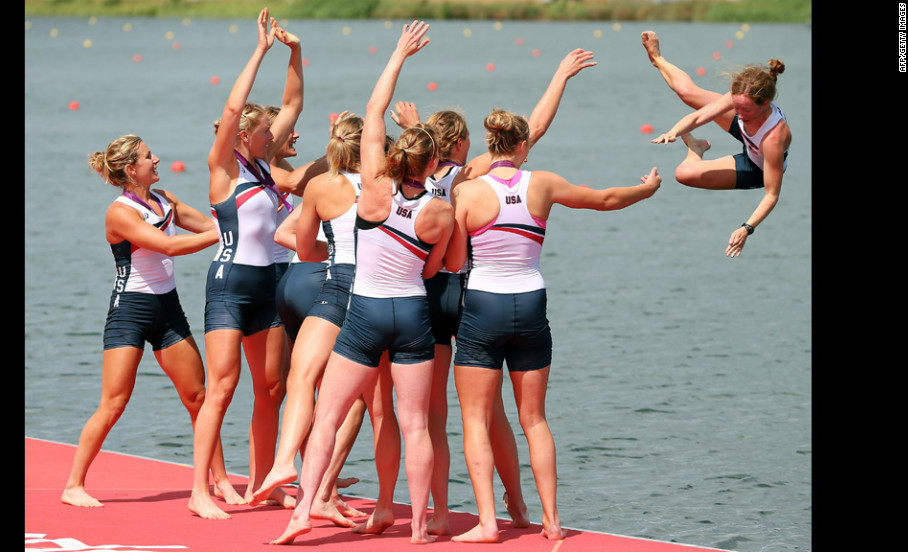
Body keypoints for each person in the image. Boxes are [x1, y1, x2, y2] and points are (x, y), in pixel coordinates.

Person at [388, 47, 598, 534]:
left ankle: (440, 513)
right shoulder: (471, 175)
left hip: (423, 294)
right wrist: (560, 77)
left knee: (437, 413)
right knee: (496, 412)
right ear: (461, 143)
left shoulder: (418, 172)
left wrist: (411, 127)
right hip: (466, 294)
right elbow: (532, 132)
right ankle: (520, 508)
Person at [271, 20, 453, 545]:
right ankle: (419, 526)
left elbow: (373, 114)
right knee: (415, 424)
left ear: (395, 158)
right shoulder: (441, 210)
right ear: (435, 163)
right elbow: (433, 269)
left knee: (326, 417)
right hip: (413, 314)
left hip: (366, 313)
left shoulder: (371, 192)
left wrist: (398, 54)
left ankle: (303, 513)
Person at [446, 108, 661, 542]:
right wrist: (647, 189)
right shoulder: (542, 183)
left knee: (475, 418)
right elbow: (603, 200)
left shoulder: (466, 192)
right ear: (523, 146)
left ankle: (488, 523)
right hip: (530, 304)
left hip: (483, 305)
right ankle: (552, 520)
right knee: (535, 419)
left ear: (491, 146)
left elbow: (453, 263)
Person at [62, 134, 231, 508]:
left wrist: (234, 222)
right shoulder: (120, 213)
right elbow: (169, 246)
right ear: (130, 169)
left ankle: (220, 480)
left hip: (168, 310)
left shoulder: (164, 200)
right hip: (130, 313)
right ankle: (74, 485)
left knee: (199, 398)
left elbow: (205, 225)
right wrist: (224, 234)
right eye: (148, 156)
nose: (157, 159)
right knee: (114, 402)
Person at [187, 9, 305, 520]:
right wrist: (259, 51)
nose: (271, 135)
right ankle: (200, 489)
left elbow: (294, 103)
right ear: (244, 135)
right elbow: (234, 107)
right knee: (224, 386)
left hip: (268, 287)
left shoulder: (265, 165)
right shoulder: (223, 170)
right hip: (230, 285)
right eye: (262, 131)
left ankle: (263, 481)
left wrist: (295, 53)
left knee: (272, 388)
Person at [641, 30, 792, 257]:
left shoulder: (773, 138)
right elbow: (699, 117)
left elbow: (772, 195)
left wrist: (746, 228)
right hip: (751, 136)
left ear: (765, 104)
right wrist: (673, 132)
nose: (738, 115)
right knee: (687, 93)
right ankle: (658, 60)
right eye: (736, 106)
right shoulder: (743, 101)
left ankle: (696, 148)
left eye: (745, 110)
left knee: (684, 173)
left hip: (757, 166)